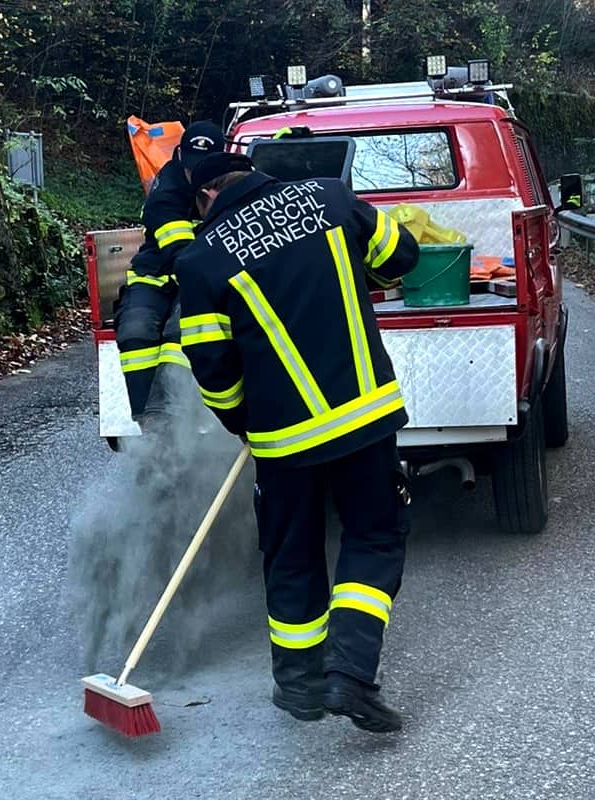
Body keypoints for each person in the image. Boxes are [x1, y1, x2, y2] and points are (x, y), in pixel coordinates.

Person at [174, 152, 420, 733]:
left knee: (291, 554)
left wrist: (241, 421)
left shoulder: (201, 259)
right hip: (365, 419)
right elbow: (399, 258)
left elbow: (211, 365)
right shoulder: (330, 198)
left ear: (207, 196)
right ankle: (351, 674)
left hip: (283, 441)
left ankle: (301, 687)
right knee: (374, 536)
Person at [113, 121, 224, 420]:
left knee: (181, 333)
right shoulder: (169, 182)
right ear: (179, 155)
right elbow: (175, 243)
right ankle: (148, 424)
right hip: (159, 275)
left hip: (204, 278)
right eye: (189, 164)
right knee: (135, 332)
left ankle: (178, 417)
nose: (193, 173)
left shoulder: (233, 184)